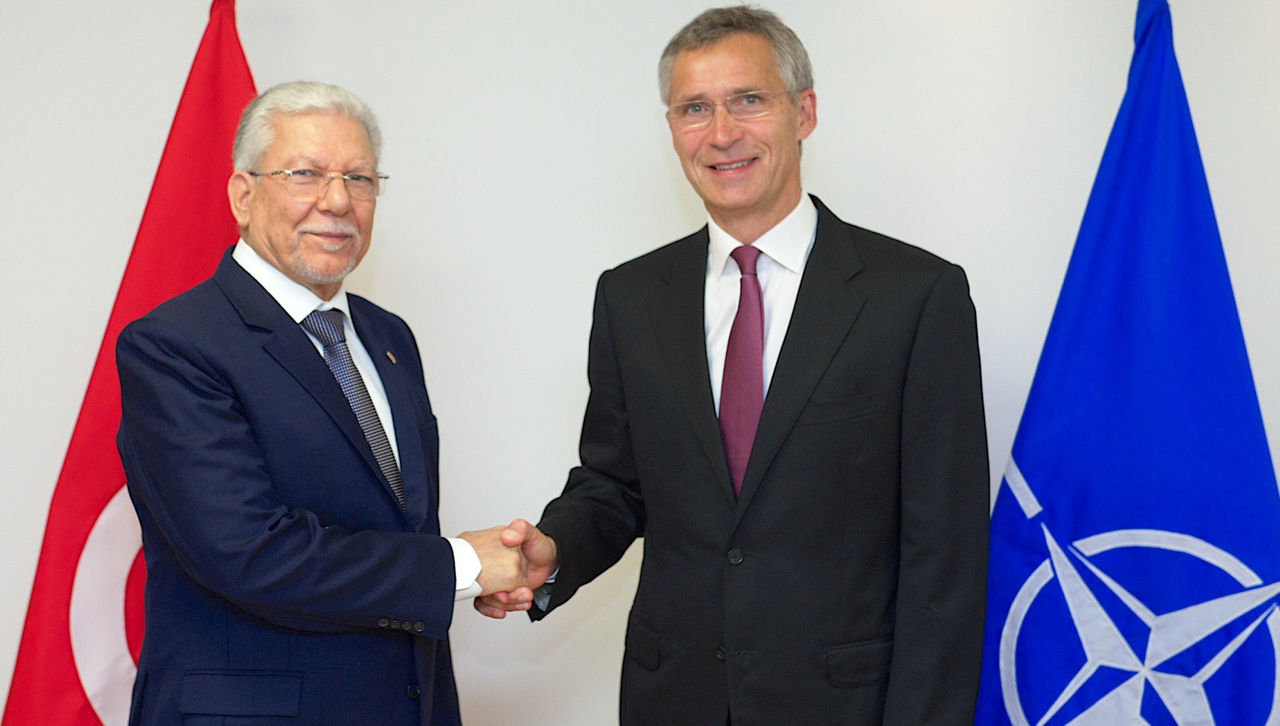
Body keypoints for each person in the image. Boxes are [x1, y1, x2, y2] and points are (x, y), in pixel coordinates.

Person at [476, 7, 989, 725]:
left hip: (847, 705)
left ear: (803, 112)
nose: (721, 133)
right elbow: (616, 483)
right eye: (695, 108)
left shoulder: (915, 296)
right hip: (674, 698)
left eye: (748, 100)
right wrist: (553, 551)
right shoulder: (630, 297)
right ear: (672, 128)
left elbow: (947, 555)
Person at [116, 81, 526, 725]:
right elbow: (250, 553)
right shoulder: (174, 346)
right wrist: (461, 565)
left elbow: (394, 529)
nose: (337, 201)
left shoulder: (388, 337)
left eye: (360, 179)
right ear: (243, 195)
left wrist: (485, 570)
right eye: (305, 174)